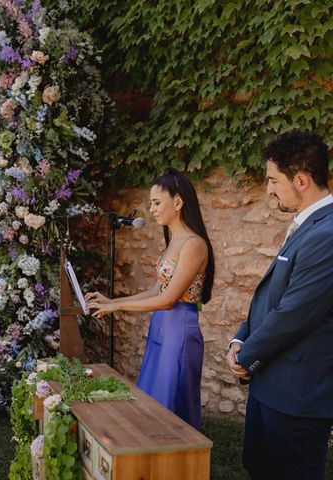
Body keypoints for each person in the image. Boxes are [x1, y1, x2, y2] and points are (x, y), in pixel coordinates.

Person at [226, 130, 333, 480]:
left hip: (297, 398)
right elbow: (272, 296)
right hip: (269, 384)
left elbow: (293, 314)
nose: (269, 189)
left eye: (273, 180)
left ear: (300, 180)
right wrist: (239, 338)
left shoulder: (327, 234)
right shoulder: (307, 226)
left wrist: (244, 358)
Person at [86, 167, 215, 430]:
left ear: (177, 202)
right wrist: (111, 301)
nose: (152, 209)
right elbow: (157, 290)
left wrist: (118, 306)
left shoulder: (194, 244)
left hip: (179, 329)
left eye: (157, 203)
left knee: (170, 402)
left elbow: (168, 300)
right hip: (161, 326)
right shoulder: (175, 242)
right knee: (152, 398)